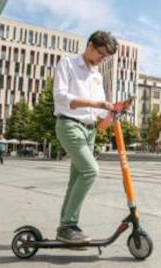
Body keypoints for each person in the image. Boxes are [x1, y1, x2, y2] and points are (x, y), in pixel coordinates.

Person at [53, 30, 118, 243]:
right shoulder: (68, 64)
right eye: (101, 54)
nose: (102, 59)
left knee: (75, 180)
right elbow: (61, 97)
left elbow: (99, 112)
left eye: (106, 57)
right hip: (69, 124)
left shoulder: (97, 75)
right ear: (90, 45)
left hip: (89, 130)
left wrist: (111, 112)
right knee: (91, 170)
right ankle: (69, 224)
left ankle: (66, 228)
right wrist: (96, 104)